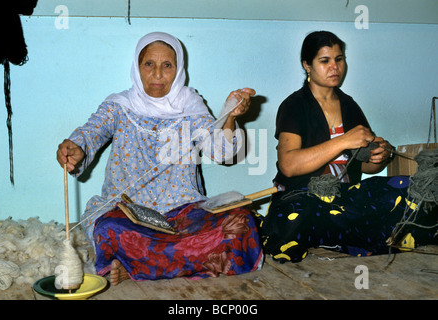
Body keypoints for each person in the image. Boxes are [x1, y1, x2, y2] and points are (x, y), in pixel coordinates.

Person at [56, 32, 263, 284]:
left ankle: (136, 265)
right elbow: (92, 131)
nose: (157, 74)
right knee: (107, 228)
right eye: (149, 64)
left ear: (178, 69)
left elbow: (220, 152)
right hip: (129, 213)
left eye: (167, 65)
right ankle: (180, 259)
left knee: (240, 221)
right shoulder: (119, 106)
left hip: (183, 213)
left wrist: (229, 115)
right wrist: (77, 146)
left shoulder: (190, 105)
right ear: (137, 67)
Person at [262, 31, 437, 263]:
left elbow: (366, 167)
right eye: (325, 61)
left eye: (339, 59)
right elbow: (289, 165)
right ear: (307, 65)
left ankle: (348, 234)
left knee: (407, 189)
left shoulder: (349, 105)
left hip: (347, 197)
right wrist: (343, 141)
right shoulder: (294, 106)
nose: (334, 67)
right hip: (304, 196)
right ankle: (357, 235)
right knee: (298, 217)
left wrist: (378, 157)